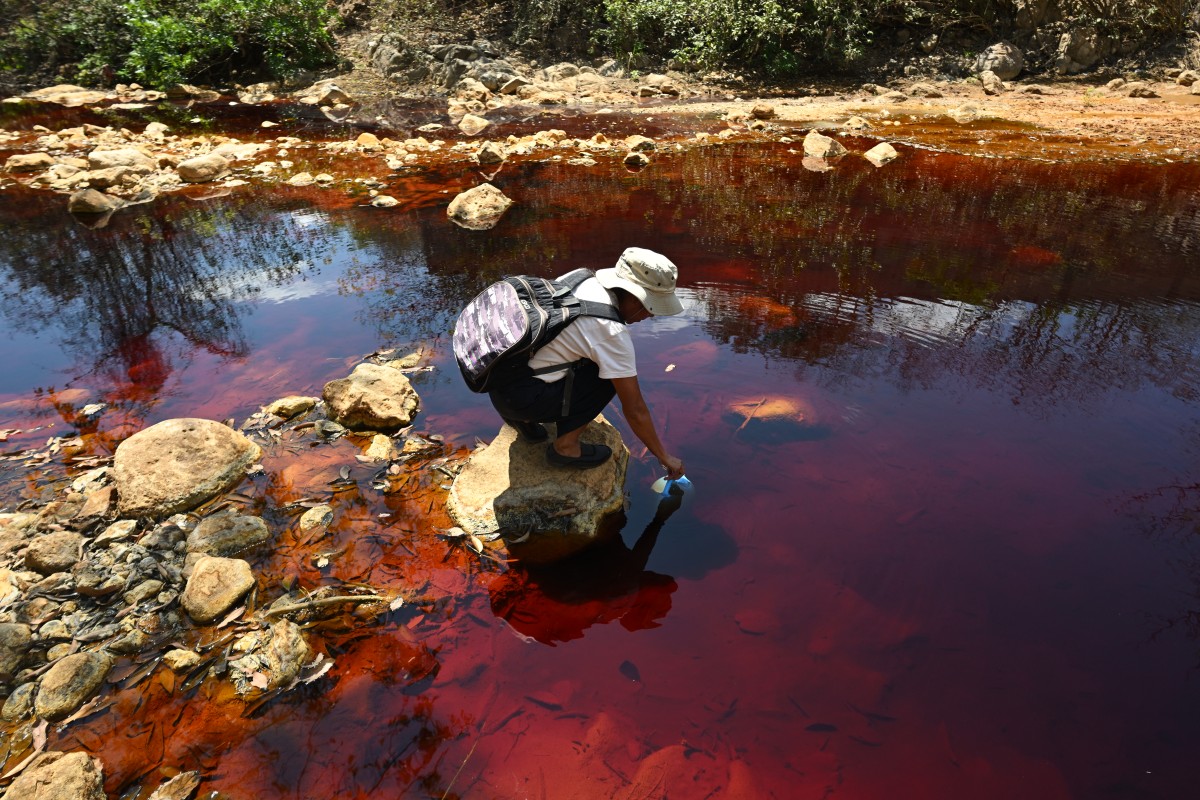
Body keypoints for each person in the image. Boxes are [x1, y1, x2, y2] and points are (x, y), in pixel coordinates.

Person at [487, 247, 686, 480]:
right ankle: (566, 447)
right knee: (611, 377)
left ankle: (525, 422)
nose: (650, 315)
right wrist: (664, 456)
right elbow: (635, 409)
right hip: (522, 399)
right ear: (634, 297)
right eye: (651, 307)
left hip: (499, 383)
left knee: (583, 355)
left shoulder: (581, 277)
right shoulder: (610, 330)